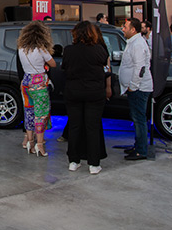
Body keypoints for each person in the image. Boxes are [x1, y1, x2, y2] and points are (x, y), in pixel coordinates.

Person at [62, 22, 111, 174]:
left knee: (74, 126)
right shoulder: (99, 50)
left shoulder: (68, 50)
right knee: (93, 127)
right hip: (94, 93)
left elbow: (65, 68)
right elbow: (106, 68)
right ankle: (94, 164)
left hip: (73, 92)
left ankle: (73, 161)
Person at [17, 21, 56, 157]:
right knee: (41, 114)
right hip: (38, 83)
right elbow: (53, 63)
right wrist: (45, 64)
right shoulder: (41, 50)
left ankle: (30, 142)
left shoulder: (21, 49)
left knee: (28, 112)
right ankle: (40, 145)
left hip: (25, 82)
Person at [120, 18, 153, 161]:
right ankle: (138, 146)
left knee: (139, 119)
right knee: (137, 118)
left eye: (125, 27)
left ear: (133, 30)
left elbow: (140, 68)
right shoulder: (134, 42)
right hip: (136, 88)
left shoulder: (138, 44)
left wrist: (133, 86)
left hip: (139, 89)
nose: (123, 29)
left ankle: (141, 150)